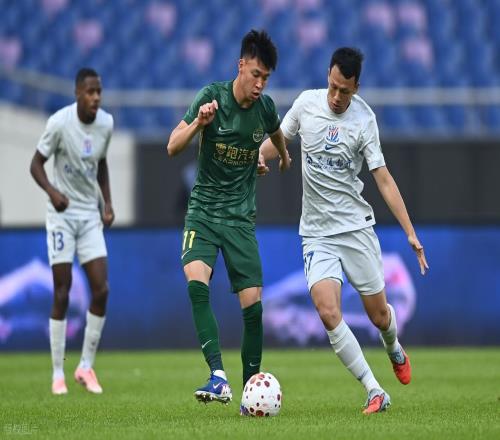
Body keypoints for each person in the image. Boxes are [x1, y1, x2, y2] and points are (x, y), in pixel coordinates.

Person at [260, 47, 429, 414]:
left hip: (355, 230)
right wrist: (260, 154)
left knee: (379, 316)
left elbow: (383, 179)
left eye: (345, 91)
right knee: (327, 311)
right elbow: (280, 139)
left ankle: (393, 347)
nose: (337, 96)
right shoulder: (306, 105)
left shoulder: (364, 120)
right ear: (328, 76)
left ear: (356, 88)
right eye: (334, 87)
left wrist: (410, 232)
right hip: (316, 233)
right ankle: (374, 390)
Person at [167, 29, 290, 406]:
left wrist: (280, 157)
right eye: (255, 74)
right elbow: (172, 146)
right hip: (203, 213)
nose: (260, 84)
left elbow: (277, 134)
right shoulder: (211, 98)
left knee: (253, 305)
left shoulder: (265, 108)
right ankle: (217, 376)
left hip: (239, 219)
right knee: (196, 282)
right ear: (241, 66)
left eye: (265, 78)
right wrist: (198, 125)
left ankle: (252, 389)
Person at [30, 67, 114, 395]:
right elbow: (35, 164)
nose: (96, 98)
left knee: (101, 290)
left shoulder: (106, 123)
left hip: (89, 214)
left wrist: (107, 203)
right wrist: (52, 192)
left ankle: (85, 366)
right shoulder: (59, 123)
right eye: (90, 92)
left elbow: (102, 163)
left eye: (99, 92)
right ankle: (57, 374)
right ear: (78, 93)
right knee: (62, 291)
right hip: (61, 215)